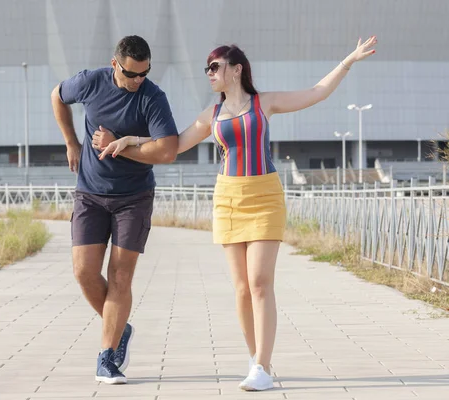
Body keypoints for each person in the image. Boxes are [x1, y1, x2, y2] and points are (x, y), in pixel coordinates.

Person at [95, 36, 377, 391]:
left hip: (264, 196)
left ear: (236, 69)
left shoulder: (265, 103)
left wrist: (348, 60)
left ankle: (261, 366)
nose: (209, 74)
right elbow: (175, 143)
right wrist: (131, 141)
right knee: (242, 288)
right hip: (228, 198)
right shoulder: (212, 114)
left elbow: (317, 92)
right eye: (207, 69)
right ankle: (256, 357)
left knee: (260, 283)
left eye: (215, 67)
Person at [50, 35, 178, 385]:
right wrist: (71, 142)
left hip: (134, 198)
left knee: (120, 276)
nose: (138, 80)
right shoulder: (90, 82)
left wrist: (119, 148)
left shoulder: (152, 97)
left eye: (144, 73)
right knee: (83, 272)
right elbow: (57, 96)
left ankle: (106, 357)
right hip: (90, 194)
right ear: (114, 64)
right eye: (131, 74)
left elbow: (167, 151)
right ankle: (120, 328)